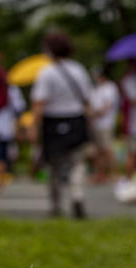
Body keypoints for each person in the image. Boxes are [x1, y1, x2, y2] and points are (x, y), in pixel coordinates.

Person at [30, 31, 93, 219]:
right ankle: (77, 195)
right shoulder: (79, 70)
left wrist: (34, 128)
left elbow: (38, 104)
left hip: (53, 122)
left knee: (54, 165)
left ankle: (56, 204)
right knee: (77, 163)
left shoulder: (46, 73)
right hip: (76, 120)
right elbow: (87, 101)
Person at [0, 81, 26, 188]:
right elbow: (19, 109)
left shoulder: (10, 89)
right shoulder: (11, 89)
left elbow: (18, 109)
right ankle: (0, 178)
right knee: (0, 155)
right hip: (1, 127)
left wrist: (19, 127)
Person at [89, 64, 119, 182]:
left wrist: (95, 115)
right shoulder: (95, 89)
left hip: (106, 124)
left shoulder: (110, 87)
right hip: (96, 124)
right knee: (98, 151)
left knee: (107, 149)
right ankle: (100, 175)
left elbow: (107, 106)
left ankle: (115, 174)